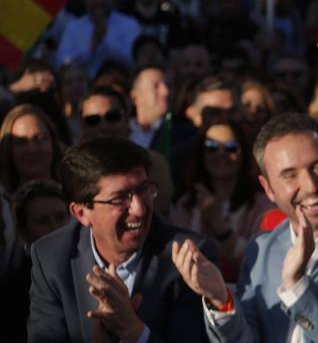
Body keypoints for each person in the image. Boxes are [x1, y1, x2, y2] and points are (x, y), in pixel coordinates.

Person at [171, 112, 318, 343]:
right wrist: (220, 299)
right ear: (268, 189)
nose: (310, 186)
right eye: (290, 175)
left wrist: (298, 286)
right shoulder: (262, 249)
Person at [28, 137, 216, 343]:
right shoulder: (51, 258)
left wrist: (136, 332)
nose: (139, 209)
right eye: (119, 198)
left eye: (144, 189)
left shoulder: (189, 257)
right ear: (81, 213)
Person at [170, 118, 271, 282]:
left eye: (231, 148)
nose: (221, 154)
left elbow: (259, 262)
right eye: (211, 147)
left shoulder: (260, 205)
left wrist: (220, 226)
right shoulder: (187, 203)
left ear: (244, 154)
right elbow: (174, 256)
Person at [79, 86, 173, 215]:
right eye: (93, 120)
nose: (104, 126)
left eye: (112, 117)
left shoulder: (154, 164)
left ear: (127, 118)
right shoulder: (73, 169)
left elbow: (157, 214)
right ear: (81, 125)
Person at [0, 179, 69, 342]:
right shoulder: (9, 293)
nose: (55, 228)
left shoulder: (94, 274)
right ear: (23, 230)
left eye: (60, 217)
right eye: (42, 221)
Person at [56, 0, 141, 78]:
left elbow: (134, 62)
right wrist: (91, 47)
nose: (99, 2)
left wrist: (106, 42)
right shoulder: (73, 27)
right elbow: (62, 63)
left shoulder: (129, 25)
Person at [0, 103, 62, 194]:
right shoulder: (3, 204)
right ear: (8, 149)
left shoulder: (75, 195)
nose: (32, 149)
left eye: (40, 138)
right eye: (21, 142)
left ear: (53, 142)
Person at [129, 65, 171, 153]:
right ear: (135, 97)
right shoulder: (120, 131)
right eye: (155, 86)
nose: (165, 92)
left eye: (168, 85)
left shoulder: (181, 133)